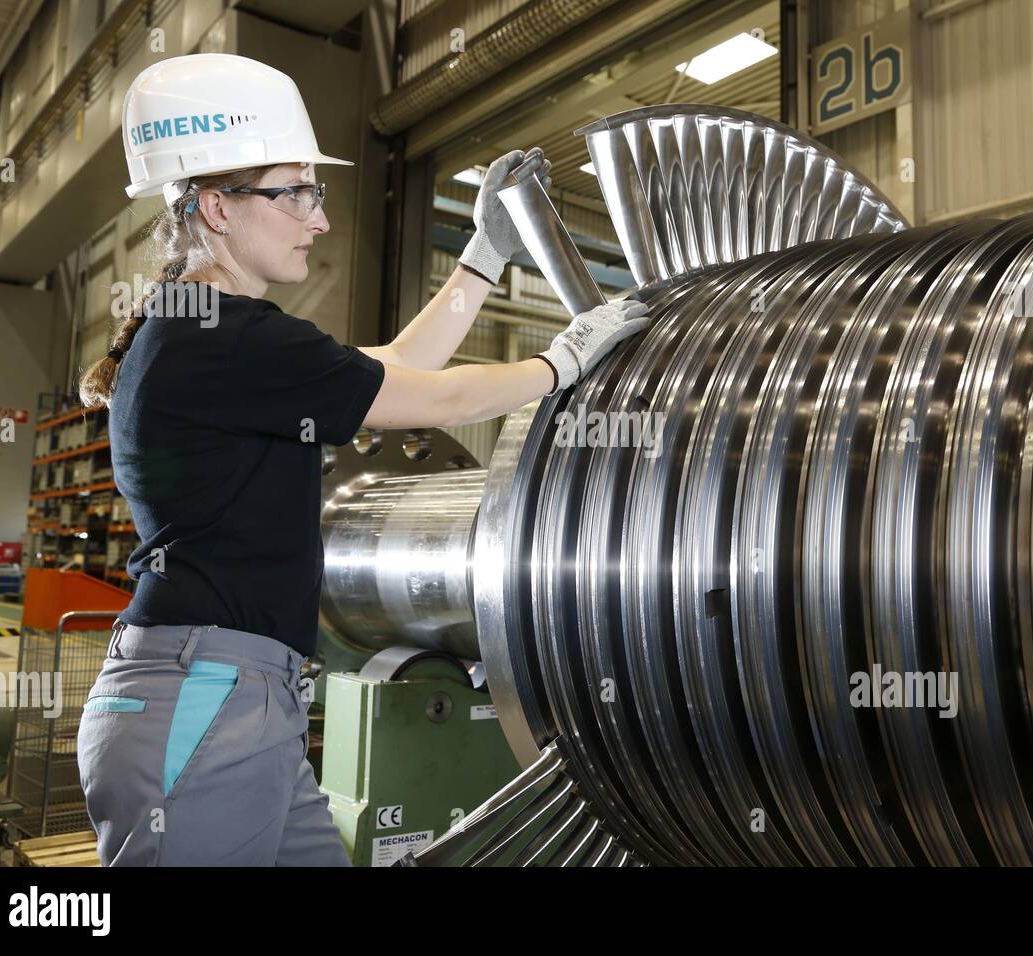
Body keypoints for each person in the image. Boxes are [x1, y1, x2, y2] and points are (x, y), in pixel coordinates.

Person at [74, 53, 650, 866]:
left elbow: (395, 371)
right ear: (217, 206)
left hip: (242, 699)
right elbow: (438, 399)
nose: (319, 219)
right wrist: (561, 364)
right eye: (296, 193)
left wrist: (482, 257)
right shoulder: (221, 336)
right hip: (204, 704)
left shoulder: (209, 332)